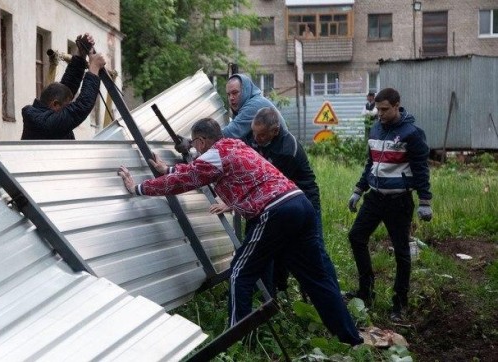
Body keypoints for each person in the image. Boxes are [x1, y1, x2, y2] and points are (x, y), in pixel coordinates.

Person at [118, 118, 363, 346]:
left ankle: (238, 344)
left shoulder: (213, 156)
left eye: (194, 144)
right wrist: (169, 169)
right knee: (317, 278)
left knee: (240, 274)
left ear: (201, 141)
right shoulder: (235, 145)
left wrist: (137, 188)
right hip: (300, 203)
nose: (193, 148)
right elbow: (196, 171)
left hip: (275, 211)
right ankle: (350, 340)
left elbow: (186, 180)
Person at [346, 87, 432, 322]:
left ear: (396, 106)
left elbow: (421, 169)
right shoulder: (375, 128)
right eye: (378, 109)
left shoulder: (411, 133)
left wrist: (425, 201)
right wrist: (358, 190)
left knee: (402, 252)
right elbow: (370, 164)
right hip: (374, 198)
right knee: (356, 237)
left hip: (399, 201)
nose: (380, 114)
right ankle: (366, 291)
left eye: (384, 109)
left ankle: (400, 303)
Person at [240, 107, 338, 294]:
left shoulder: (286, 150)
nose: (255, 138)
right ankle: (273, 292)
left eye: (260, 135)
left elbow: (266, 184)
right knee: (269, 246)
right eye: (254, 133)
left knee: (315, 250)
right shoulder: (256, 137)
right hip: (278, 201)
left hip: (303, 201)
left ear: (275, 131)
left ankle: (331, 291)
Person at [21, 33, 107, 140]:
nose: (69, 108)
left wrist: (81, 54)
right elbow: (81, 107)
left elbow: (67, 89)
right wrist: (94, 67)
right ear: (55, 104)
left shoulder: (43, 115)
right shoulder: (46, 124)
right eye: (67, 105)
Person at [175, 74, 287, 153]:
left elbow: (224, 136)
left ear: (246, 90)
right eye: (228, 95)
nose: (231, 98)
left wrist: (191, 143)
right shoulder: (245, 106)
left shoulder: (254, 105)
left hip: (282, 161)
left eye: (235, 93)